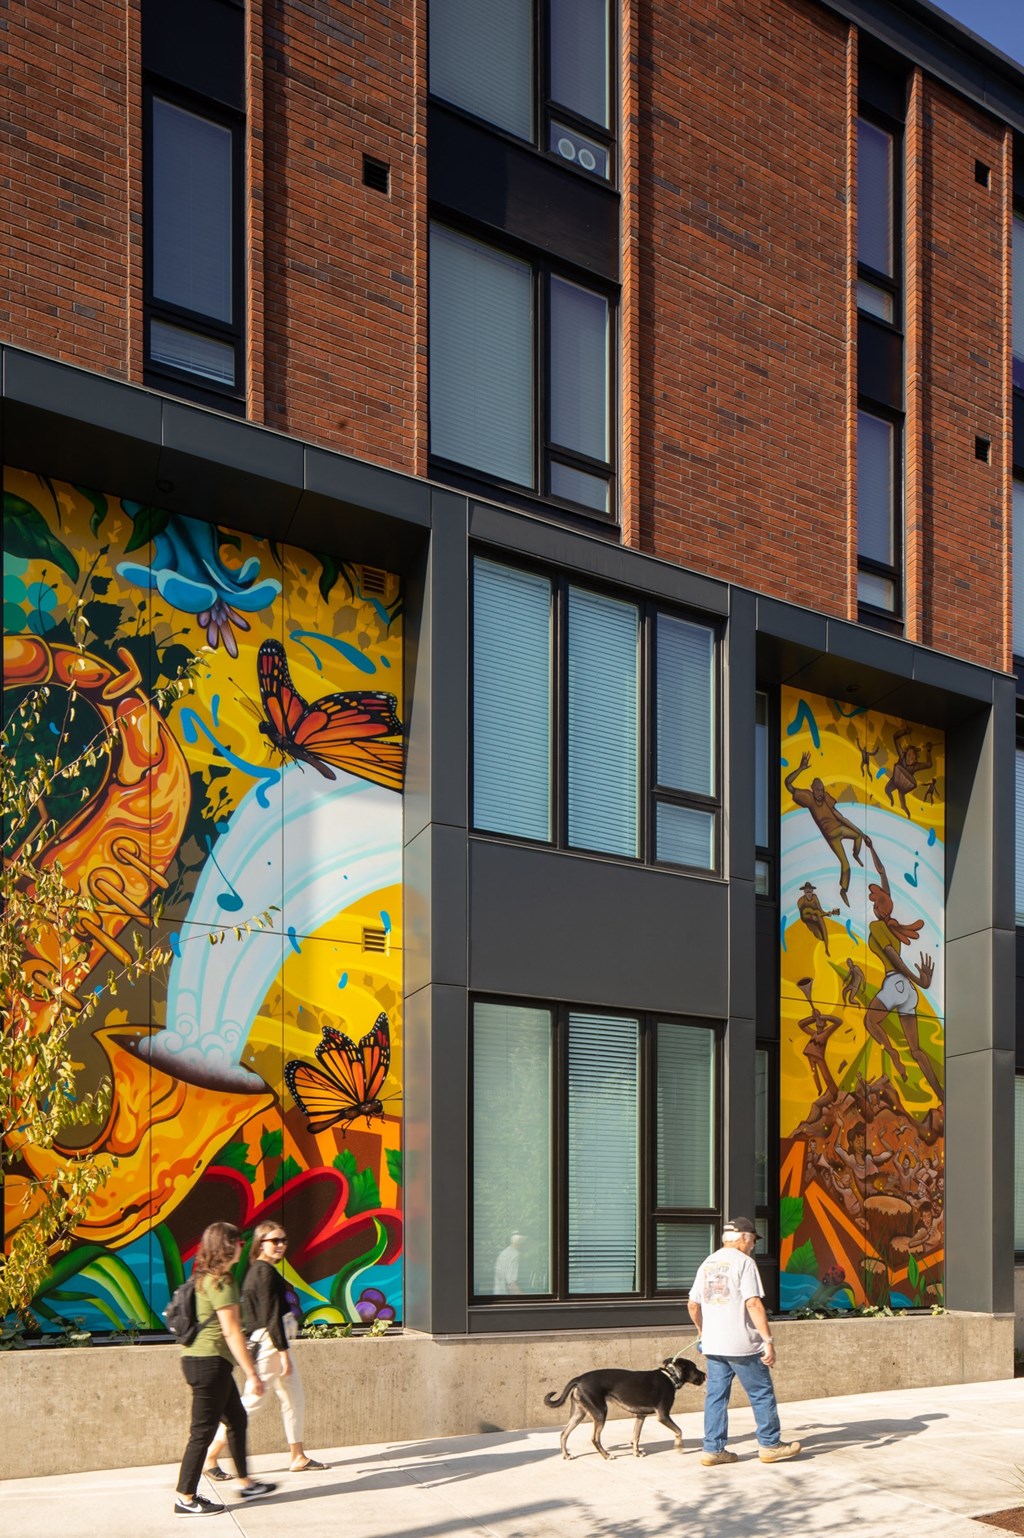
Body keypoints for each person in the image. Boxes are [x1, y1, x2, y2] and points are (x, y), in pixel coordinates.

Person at [205, 1222, 326, 1478]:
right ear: (261, 1244)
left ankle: (298, 1455)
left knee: (294, 1399)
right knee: (251, 1403)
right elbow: (271, 1317)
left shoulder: (258, 1271)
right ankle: (210, 1456)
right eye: (274, 1241)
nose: (281, 1245)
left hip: (272, 1341)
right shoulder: (264, 1272)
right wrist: (283, 1353)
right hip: (272, 1344)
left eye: (283, 1240)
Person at [174, 1221, 277, 1516]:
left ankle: (245, 1482)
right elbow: (231, 1333)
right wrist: (253, 1373)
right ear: (227, 1245)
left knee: (237, 1418)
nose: (243, 1247)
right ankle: (185, 1496)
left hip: (200, 1360)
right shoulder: (222, 1281)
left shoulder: (203, 1277)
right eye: (239, 1242)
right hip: (210, 1364)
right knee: (202, 1432)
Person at [687, 1217, 800, 1466]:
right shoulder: (744, 1263)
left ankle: (713, 1449)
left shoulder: (707, 1263)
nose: (753, 1246)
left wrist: (702, 1332)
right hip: (742, 1344)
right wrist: (767, 1340)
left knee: (716, 1396)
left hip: (714, 1345)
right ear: (743, 1238)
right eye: (752, 1241)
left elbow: (693, 1304)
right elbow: (753, 1303)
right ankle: (770, 1445)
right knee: (761, 1394)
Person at [785, 752, 869, 904]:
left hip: (839, 828)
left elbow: (841, 817)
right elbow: (788, 784)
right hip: (831, 835)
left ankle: (856, 854)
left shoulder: (826, 799)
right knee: (846, 864)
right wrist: (801, 768)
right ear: (812, 789)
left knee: (857, 836)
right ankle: (843, 890)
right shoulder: (808, 798)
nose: (820, 793)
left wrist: (861, 833)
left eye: (822, 790)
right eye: (818, 790)